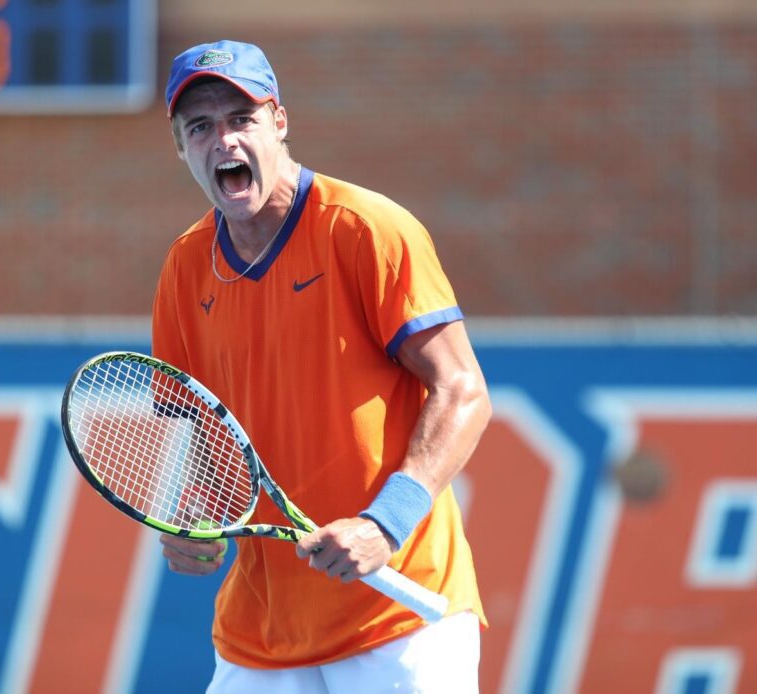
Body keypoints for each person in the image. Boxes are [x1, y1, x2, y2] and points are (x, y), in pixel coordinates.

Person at [152, 39, 492, 693]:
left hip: (398, 621)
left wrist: (383, 524)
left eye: (241, 119)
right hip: (260, 633)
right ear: (180, 147)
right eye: (200, 127)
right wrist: (198, 510)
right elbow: (200, 429)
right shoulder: (184, 267)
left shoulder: (367, 229)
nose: (223, 141)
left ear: (279, 122)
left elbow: (463, 389)